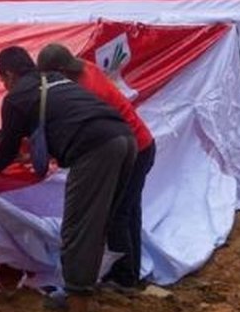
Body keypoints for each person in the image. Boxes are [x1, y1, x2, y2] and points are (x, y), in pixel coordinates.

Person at [0, 47, 135, 312]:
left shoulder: (15, 97)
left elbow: (7, 150)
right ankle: (87, 300)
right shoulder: (51, 80)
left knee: (78, 230)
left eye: (2, 80)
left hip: (96, 150)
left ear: (9, 75)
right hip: (123, 140)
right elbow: (49, 125)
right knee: (96, 226)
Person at [36, 43, 155, 293]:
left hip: (131, 149)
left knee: (116, 215)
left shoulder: (85, 89)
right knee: (129, 210)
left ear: (58, 71)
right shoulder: (85, 68)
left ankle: (123, 278)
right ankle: (130, 272)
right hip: (141, 143)